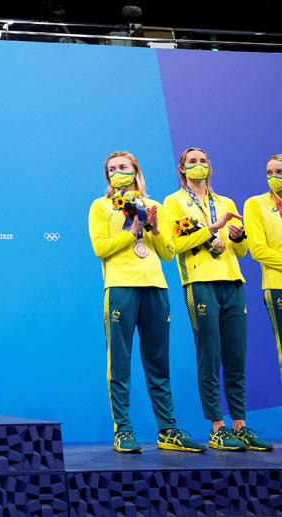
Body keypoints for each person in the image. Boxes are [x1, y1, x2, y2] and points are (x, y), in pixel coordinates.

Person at [87, 151, 205, 453]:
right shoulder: (100, 207)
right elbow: (101, 248)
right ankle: (123, 431)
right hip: (120, 288)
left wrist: (152, 227)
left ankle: (167, 429)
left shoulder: (157, 206)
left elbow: (167, 252)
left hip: (155, 287)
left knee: (158, 361)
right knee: (120, 362)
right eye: (111, 169)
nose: (117, 172)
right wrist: (133, 230)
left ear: (135, 170)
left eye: (123, 167)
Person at [161, 147, 271, 451]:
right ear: (182, 169)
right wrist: (212, 228)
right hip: (199, 282)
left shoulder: (225, 202)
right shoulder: (175, 202)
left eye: (204, 161)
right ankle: (217, 427)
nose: (200, 165)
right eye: (192, 162)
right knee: (209, 355)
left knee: (236, 358)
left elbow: (241, 251)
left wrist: (237, 237)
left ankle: (241, 424)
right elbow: (174, 245)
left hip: (233, 281)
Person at [242, 153, 282, 451]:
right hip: (277, 287)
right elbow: (257, 249)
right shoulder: (256, 204)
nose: (273, 176)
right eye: (269, 171)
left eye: (278, 171)